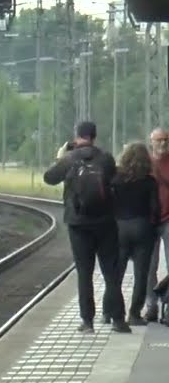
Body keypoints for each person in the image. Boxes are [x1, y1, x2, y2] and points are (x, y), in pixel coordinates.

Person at [43, 120, 124, 333]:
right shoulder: (105, 158)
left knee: (84, 273)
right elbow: (116, 182)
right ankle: (118, 320)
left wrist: (59, 157)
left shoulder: (69, 159)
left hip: (78, 224)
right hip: (106, 223)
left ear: (77, 136)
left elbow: (49, 178)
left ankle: (87, 322)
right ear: (94, 137)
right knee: (111, 273)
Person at [112, 141, 161, 326]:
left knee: (116, 273)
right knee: (142, 274)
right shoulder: (150, 181)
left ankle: (113, 312)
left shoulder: (116, 179)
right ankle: (134, 314)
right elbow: (155, 209)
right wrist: (153, 227)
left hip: (120, 228)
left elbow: (110, 203)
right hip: (143, 228)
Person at [146, 128, 169, 322]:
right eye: (159, 140)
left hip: (168, 219)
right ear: (151, 142)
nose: (162, 144)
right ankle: (151, 306)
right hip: (150, 221)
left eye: (165, 140)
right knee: (149, 266)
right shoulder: (145, 164)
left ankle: (168, 305)